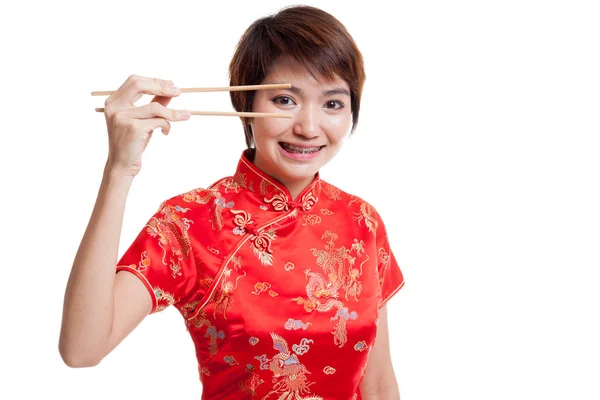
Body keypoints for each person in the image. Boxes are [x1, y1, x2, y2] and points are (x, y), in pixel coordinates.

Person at [59, 5, 405, 399]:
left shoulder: (362, 221)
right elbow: (82, 349)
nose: (309, 128)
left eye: (332, 103)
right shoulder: (192, 221)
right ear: (244, 105)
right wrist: (119, 170)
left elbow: (378, 385)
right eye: (285, 100)